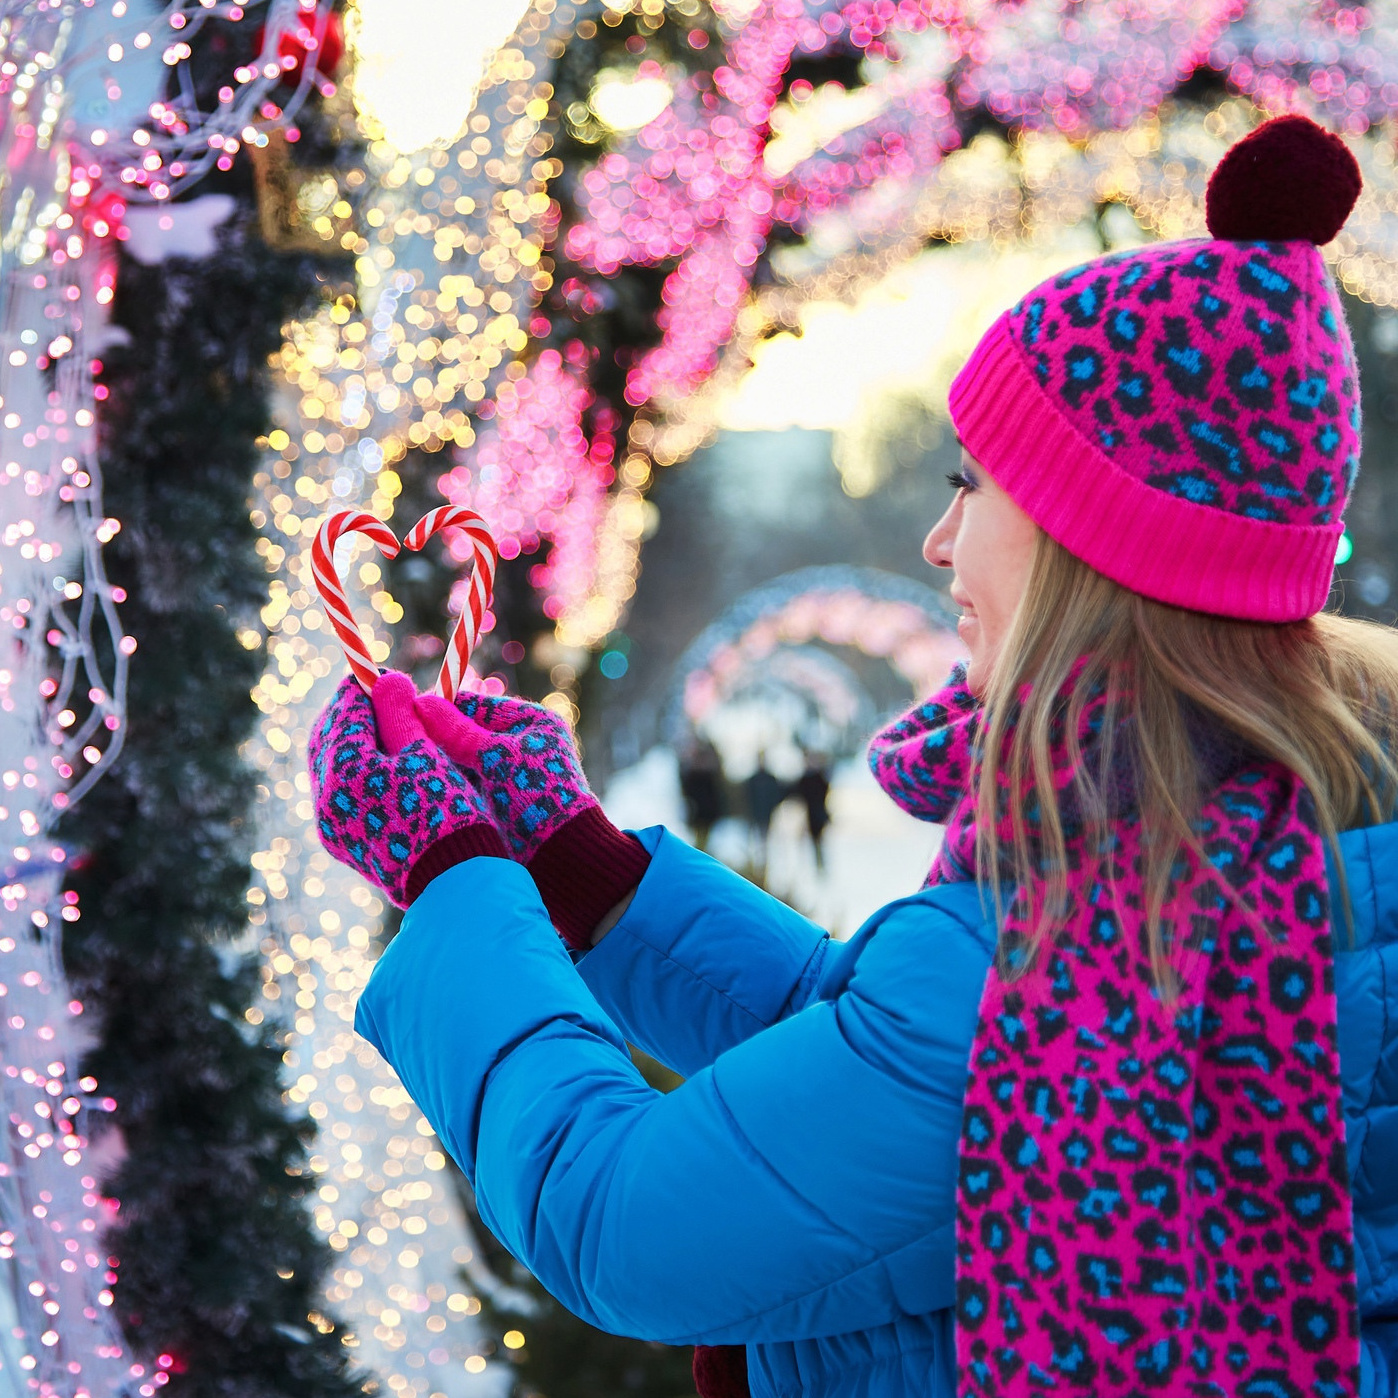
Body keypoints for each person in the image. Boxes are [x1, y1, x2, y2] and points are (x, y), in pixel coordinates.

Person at [308, 116, 1397, 1398]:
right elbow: (876, 1070)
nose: (940, 542)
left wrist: (448, 874)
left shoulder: (1075, 941)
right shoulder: (1281, 834)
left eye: (975, 485)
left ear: (1092, 541)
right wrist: (578, 868)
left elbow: (624, 1223)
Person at [743, 752, 786, 877]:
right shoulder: (753, 779)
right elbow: (747, 797)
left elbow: (776, 796)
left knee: (765, 842)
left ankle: (764, 865)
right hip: (755, 814)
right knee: (754, 842)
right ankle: (755, 866)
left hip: (766, 815)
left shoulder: (770, 779)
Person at [678, 736, 725, 852]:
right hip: (700, 814)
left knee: (704, 839)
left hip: (705, 813)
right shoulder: (695, 776)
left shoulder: (707, 776)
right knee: (701, 839)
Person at [795, 753, 831, 871]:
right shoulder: (806, 779)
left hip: (817, 815)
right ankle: (816, 865)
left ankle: (821, 864)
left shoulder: (819, 777)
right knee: (813, 841)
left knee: (819, 840)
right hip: (809, 815)